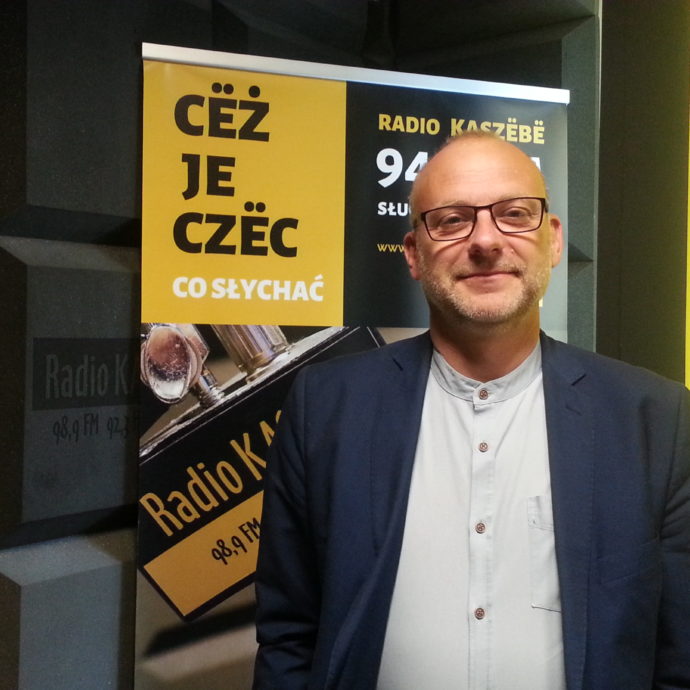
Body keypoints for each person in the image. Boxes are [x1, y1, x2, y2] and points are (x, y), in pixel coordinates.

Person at [252, 132, 690, 689]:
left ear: (553, 240)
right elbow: (289, 636)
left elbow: (679, 658)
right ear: (413, 254)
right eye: (453, 220)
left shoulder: (656, 421)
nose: (485, 240)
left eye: (514, 214)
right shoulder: (326, 407)